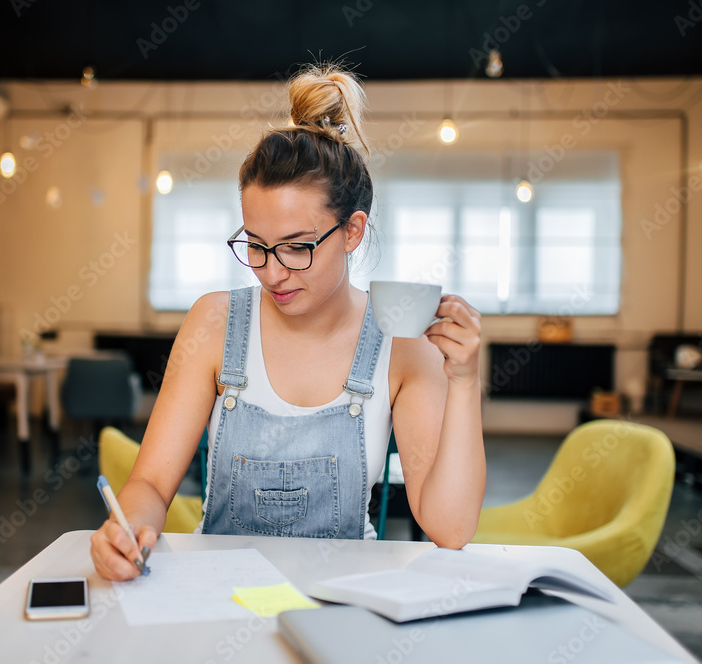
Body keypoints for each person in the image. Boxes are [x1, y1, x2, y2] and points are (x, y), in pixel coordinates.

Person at [90, 64, 485, 581]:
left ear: (352, 232)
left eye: (298, 247)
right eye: (256, 245)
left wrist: (464, 380)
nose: (272, 272)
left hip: (344, 601)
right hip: (223, 597)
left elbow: (449, 529)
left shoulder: (400, 344)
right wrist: (128, 527)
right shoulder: (215, 322)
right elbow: (151, 486)